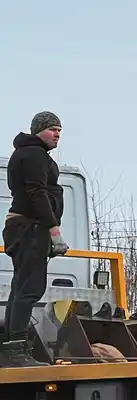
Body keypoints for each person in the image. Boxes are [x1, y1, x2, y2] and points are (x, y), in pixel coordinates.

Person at [3, 111, 69, 365]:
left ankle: (13, 348)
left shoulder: (29, 154)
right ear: (39, 130)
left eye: (60, 131)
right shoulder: (33, 155)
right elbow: (36, 193)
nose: (57, 135)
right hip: (31, 227)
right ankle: (17, 352)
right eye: (53, 129)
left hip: (25, 227)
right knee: (29, 289)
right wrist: (53, 229)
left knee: (21, 288)